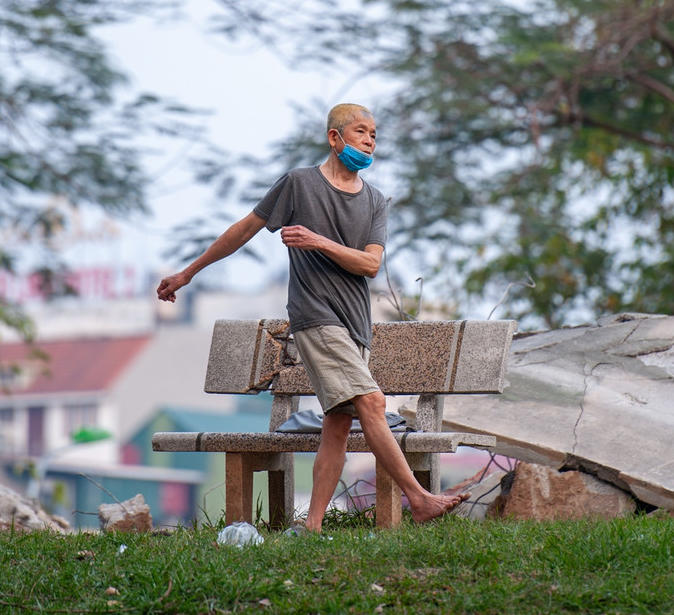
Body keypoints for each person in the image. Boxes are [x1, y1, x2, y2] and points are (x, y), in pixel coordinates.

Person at [156, 103, 466, 531]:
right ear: (334, 138)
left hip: (356, 323)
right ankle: (419, 498)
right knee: (373, 402)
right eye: (361, 131)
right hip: (315, 316)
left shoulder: (375, 201)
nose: (370, 140)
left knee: (338, 423)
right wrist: (188, 273)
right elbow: (243, 229)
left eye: (374, 134)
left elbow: (370, 265)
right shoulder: (298, 184)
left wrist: (317, 241)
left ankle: (312, 525)